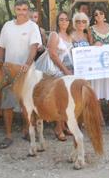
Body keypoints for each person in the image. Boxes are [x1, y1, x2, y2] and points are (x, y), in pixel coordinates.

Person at [0, 0, 42, 149]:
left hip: (26, 71)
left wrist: (27, 64)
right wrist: (1, 63)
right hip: (9, 72)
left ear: (28, 11)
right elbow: (1, 47)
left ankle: (27, 131)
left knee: (26, 104)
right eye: (19, 9)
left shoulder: (32, 26)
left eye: (24, 9)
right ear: (14, 10)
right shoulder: (7, 26)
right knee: (8, 104)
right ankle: (8, 135)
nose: (21, 12)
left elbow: (34, 47)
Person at [89, 6, 109, 126]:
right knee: (96, 90)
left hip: (108, 64)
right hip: (96, 65)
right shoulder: (90, 29)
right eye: (96, 14)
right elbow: (89, 44)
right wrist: (94, 43)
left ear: (104, 15)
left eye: (101, 13)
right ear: (94, 17)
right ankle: (100, 114)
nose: (99, 16)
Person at [47, 11, 74, 141]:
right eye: (61, 19)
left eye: (66, 19)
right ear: (58, 21)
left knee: (67, 100)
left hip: (69, 71)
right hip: (58, 72)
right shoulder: (54, 35)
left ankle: (64, 126)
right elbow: (52, 54)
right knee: (60, 101)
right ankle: (58, 127)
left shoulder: (69, 36)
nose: (64, 22)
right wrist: (64, 70)